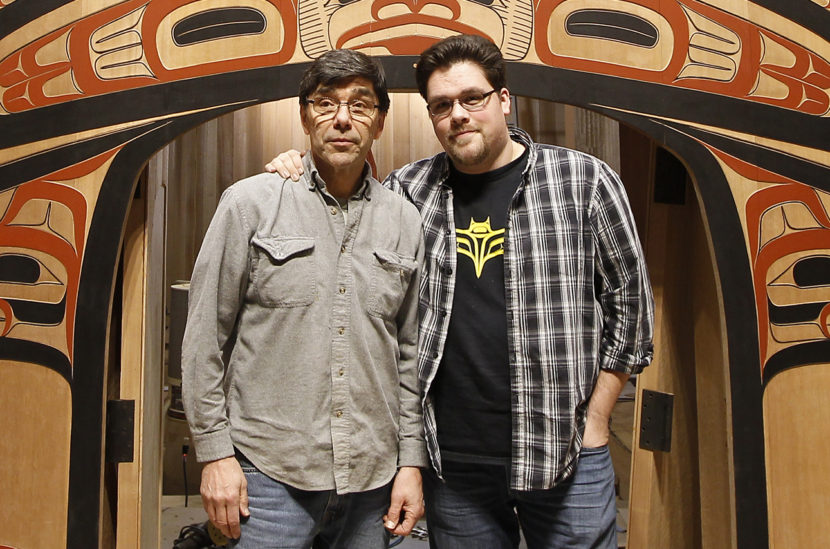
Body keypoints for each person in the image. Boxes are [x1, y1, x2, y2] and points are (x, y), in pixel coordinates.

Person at [267, 34, 654, 548]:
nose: (459, 115)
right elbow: (344, 195)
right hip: (454, 465)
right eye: (442, 105)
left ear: (504, 99)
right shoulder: (410, 191)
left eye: (473, 98)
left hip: (565, 451)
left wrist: (598, 417)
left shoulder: (583, 182)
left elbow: (632, 312)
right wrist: (295, 165)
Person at [182, 48, 427, 548]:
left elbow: (408, 356)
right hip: (268, 477)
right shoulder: (251, 203)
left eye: (360, 106)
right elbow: (205, 338)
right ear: (304, 116)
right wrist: (213, 455)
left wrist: (410, 463)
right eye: (324, 103)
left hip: (372, 480)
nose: (342, 118)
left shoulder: (404, 221)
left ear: (379, 123)